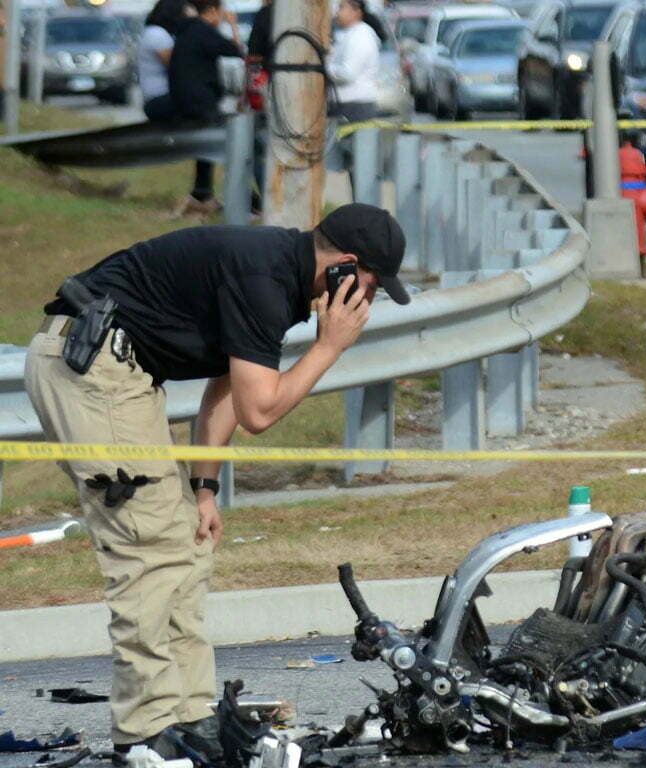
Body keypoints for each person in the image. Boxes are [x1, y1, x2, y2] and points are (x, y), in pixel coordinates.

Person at [23, 204, 410, 760]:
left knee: (188, 543)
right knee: (149, 549)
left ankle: (189, 715)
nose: (369, 301)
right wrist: (330, 346)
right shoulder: (265, 280)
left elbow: (226, 388)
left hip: (117, 371)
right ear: (346, 266)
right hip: (91, 367)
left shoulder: (280, 273)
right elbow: (259, 409)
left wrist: (204, 488)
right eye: (372, 285)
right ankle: (146, 730)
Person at [169, 0, 245, 215]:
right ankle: (247, 200)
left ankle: (202, 192)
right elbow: (235, 50)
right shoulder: (203, 31)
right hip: (200, 98)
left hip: (185, 97)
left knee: (206, 147)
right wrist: (232, 26)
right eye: (221, 13)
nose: (222, 16)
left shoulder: (188, 30)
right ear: (211, 11)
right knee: (227, 145)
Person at [326, 0, 381, 188]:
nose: (337, 12)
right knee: (350, 166)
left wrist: (324, 67)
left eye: (341, 7)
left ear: (356, 11)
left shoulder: (362, 36)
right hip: (344, 106)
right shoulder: (347, 34)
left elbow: (347, 73)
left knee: (361, 167)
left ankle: (364, 207)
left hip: (356, 107)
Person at [138, 0, 195, 122]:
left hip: (161, 97)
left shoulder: (157, 33)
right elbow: (177, 65)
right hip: (160, 97)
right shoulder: (157, 34)